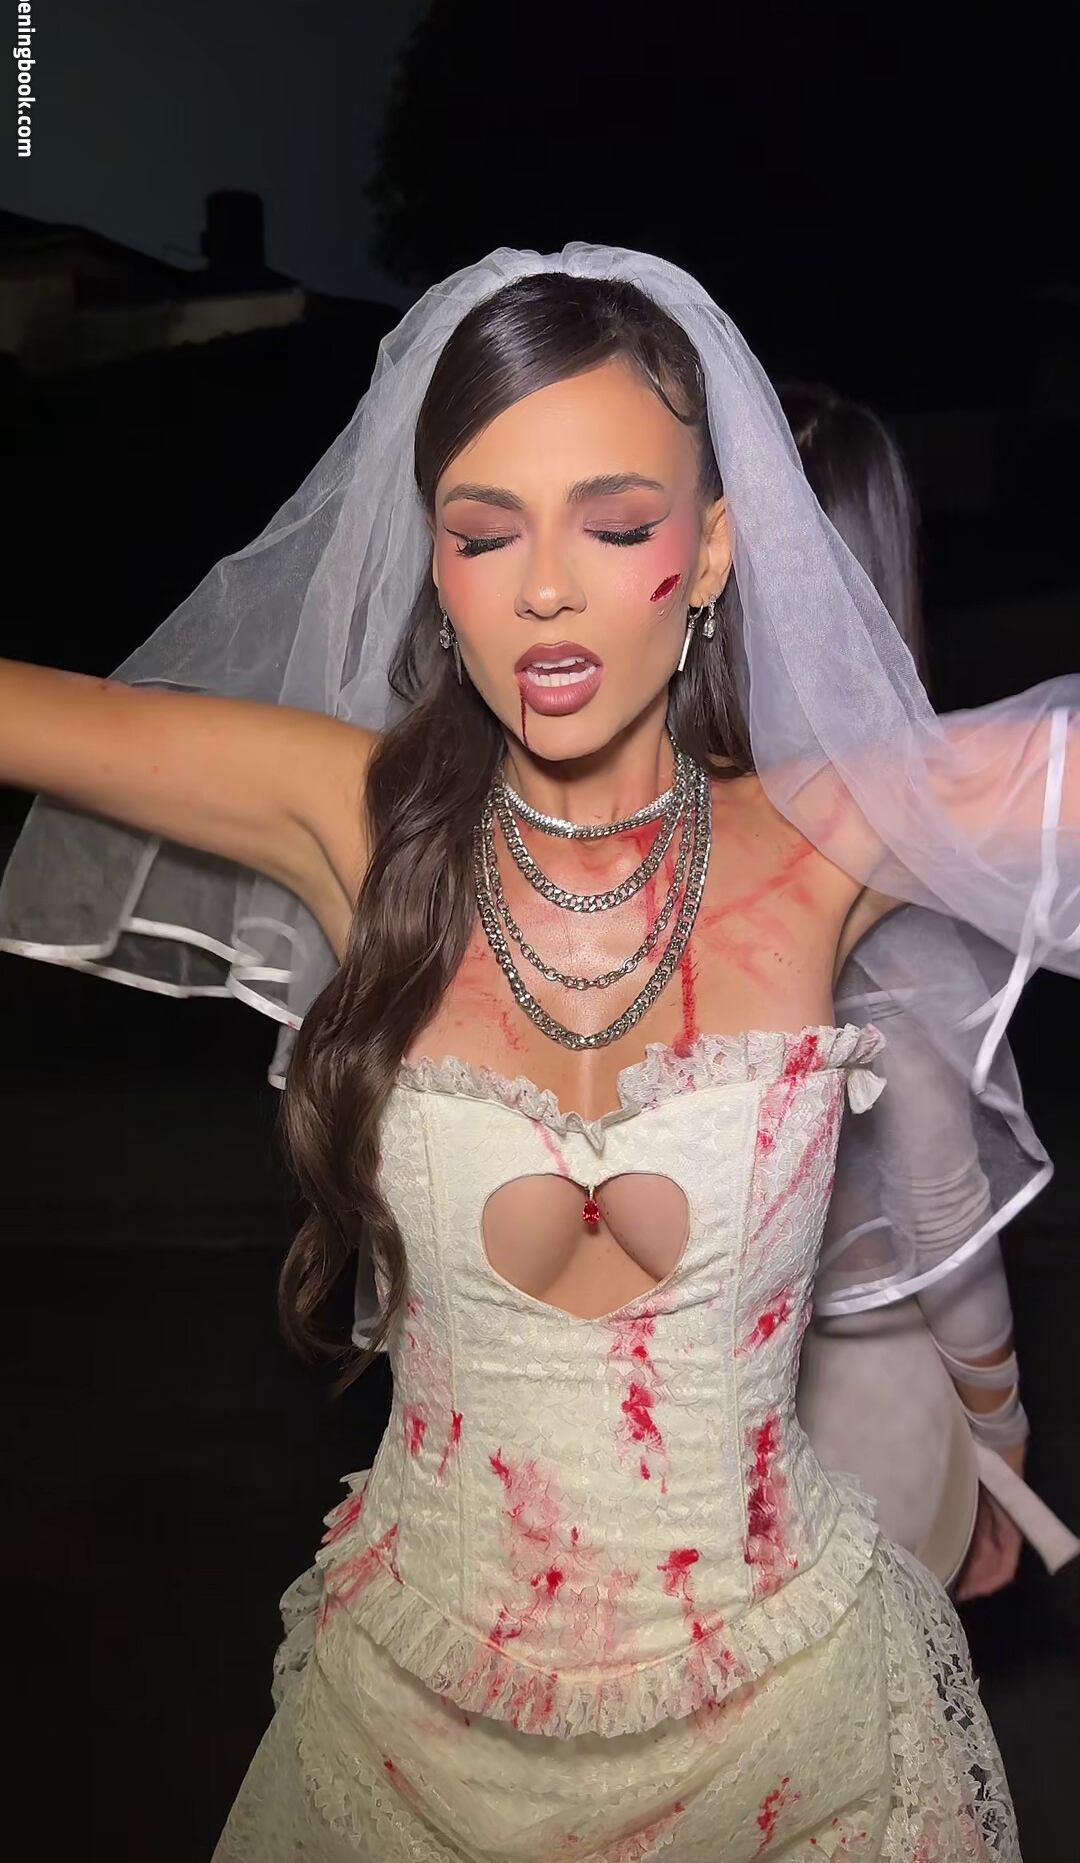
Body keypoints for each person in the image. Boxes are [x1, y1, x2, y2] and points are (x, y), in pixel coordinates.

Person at [4, 244, 1079, 1859]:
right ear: (435, 565)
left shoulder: (826, 834)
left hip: (801, 1737)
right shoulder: (353, 815)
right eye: (485, 531)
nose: (547, 590)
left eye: (617, 524)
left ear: (712, 552)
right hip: (410, 1740)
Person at [778, 382, 1032, 1600]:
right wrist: (1002, 1430)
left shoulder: (636, 820)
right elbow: (937, 1194)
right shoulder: (866, 830)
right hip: (855, 1407)